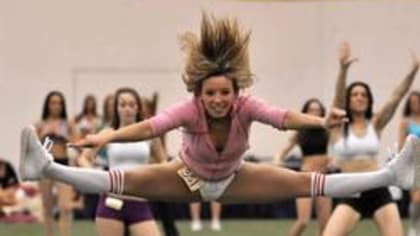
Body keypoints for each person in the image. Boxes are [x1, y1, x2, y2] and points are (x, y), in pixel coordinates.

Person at [18, 14, 420, 211]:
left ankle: (391, 175)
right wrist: (105, 136)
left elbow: (282, 117)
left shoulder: (245, 107)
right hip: (187, 177)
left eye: (224, 93)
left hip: (234, 178)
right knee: (116, 181)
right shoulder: (189, 110)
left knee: (307, 184)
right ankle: (45, 168)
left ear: (235, 91)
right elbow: (149, 126)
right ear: (198, 92)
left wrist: (319, 120)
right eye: (210, 93)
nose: (217, 100)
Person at [322, 42, 419, 236]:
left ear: (368, 100)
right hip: (350, 190)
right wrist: (343, 69)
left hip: (377, 188)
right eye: (355, 94)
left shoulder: (375, 123)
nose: (359, 97)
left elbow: (396, 97)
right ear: (349, 100)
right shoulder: (337, 126)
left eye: (363, 94)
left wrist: (413, 71)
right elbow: (338, 97)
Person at [77, 88, 164, 236]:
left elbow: (163, 161)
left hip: (139, 202)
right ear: (116, 109)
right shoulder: (108, 133)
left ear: (138, 108)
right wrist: (98, 175)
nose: (127, 109)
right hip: (111, 202)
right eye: (122, 105)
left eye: (132, 104)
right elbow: (83, 158)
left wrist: (154, 177)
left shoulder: (149, 133)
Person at [273, 98, 331, 236]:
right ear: (305, 111)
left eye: (318, 110)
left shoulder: (327, 130)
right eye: (311, 109)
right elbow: (282, 151)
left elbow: (339, 147)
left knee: (325, 224)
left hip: (324, 179)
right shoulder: (301, 132)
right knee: (303, 221)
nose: (314, 112)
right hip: (306, 178)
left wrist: (334, 160)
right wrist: (278, 160)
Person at [34, 91, 76, 236]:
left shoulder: (68, 124)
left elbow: (76, 144)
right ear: (47, 105)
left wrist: (64, 136)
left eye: (59, 103)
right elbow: (33, 147)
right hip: (45, 165)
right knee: (47, 206)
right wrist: (43, 134)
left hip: (63, 163)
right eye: (53, 102)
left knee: (65, 207)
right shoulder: (40, 124)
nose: (56, 106)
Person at [398, 91, 420, 236]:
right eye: (412, 102)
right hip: (414, 163)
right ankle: (413, 226)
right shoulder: (405, 122)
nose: (415, 105)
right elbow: (401, 145)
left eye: (417, 101)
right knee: (417, 198)